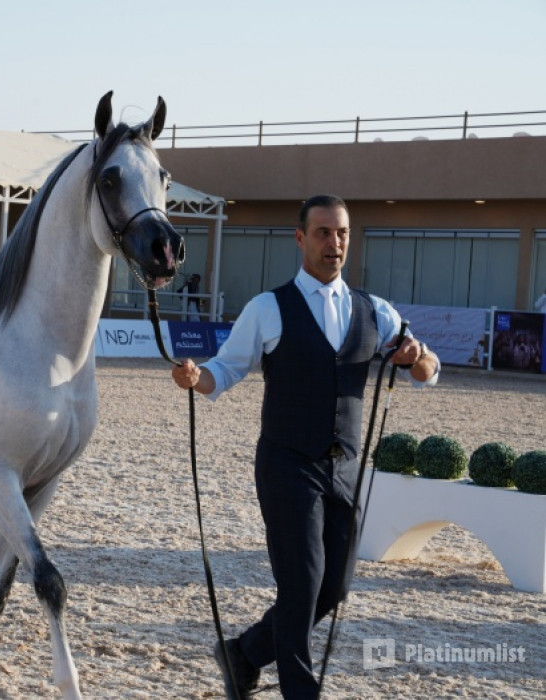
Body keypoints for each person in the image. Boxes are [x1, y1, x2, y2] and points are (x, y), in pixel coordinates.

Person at [171, 195, 439, 700]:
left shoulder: (375, 311)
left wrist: (416, 355)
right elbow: (225, 370)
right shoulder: (267, 308)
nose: (333, 243)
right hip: (287, 464)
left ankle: (245, 652)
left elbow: (427, 369)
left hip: (347, 468)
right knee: (301, 586)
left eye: (341, 233)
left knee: (331, 589)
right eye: (322, 232)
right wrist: (194, 378)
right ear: (300, 239)